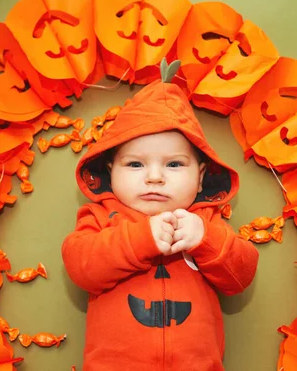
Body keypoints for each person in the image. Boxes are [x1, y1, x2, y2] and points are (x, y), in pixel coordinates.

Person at [61, 61, 259, 370]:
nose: (154, 177)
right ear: (111, 172)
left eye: (175, 164)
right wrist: (141, 239)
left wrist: (204, 239)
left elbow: (241, 276)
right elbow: (81, 266)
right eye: (136, 165)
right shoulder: (101, 216)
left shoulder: (206, 219)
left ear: (201, 175)